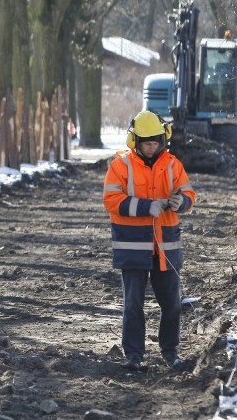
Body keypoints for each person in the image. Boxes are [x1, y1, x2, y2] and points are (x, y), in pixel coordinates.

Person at [102, 110, 195, 372]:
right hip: (133, 248)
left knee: (172, 304)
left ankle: (170, 352)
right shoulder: (120, 166)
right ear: (136, 142)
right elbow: (111, 200)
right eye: (147, 144)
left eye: (155, 143)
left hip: (166, 248)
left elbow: (188, 193)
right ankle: (133, 355)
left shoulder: (173, 164)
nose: (152, 148)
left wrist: (182, 202)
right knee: (132, 305)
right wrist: (145, 207)